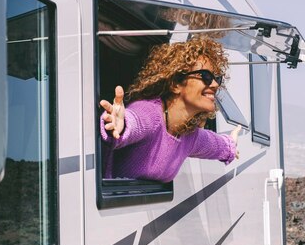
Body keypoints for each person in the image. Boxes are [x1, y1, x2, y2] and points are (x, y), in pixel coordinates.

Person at [99, 36, 240, 182]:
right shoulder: (151, 113)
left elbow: (216, 145)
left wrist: (230, 145)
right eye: (206, 76)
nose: (215, 85)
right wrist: (121, 124)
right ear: (175, 84)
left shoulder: (188, 136)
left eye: (217, 79)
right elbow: (136, 121)